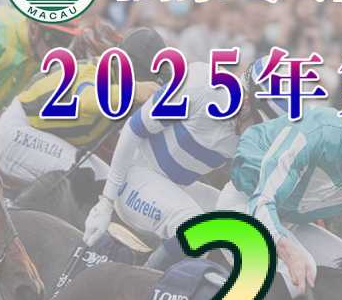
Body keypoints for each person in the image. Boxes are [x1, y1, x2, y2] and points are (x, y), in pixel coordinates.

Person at [82, 54, 279, 268]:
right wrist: (106, 201)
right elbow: (134, 129)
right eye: (259, 124)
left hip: (176, 187)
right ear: (247, 101)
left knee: (246, 226)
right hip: (132, 179)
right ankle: (148, 283)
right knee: (196, 228)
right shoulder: (202, 84)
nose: (260, 135)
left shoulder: (254, 132)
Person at [216, 103, 342, 296]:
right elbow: (262, 200)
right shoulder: (313, 135)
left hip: (290, 222)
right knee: (295, 277)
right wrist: (287, 251)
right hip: (246, 205)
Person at [0, 28, 166, 185]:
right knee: (88, 176)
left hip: (37, 134)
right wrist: (135, 90)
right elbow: (86, 99)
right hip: (19, 133)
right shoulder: (93, 72)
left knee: (108, 178)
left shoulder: (118, 81)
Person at [0, 5, 83, 115]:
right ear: (34, 27)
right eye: (55, 38)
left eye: (66, 42)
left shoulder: (42, 56)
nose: (57, 52)